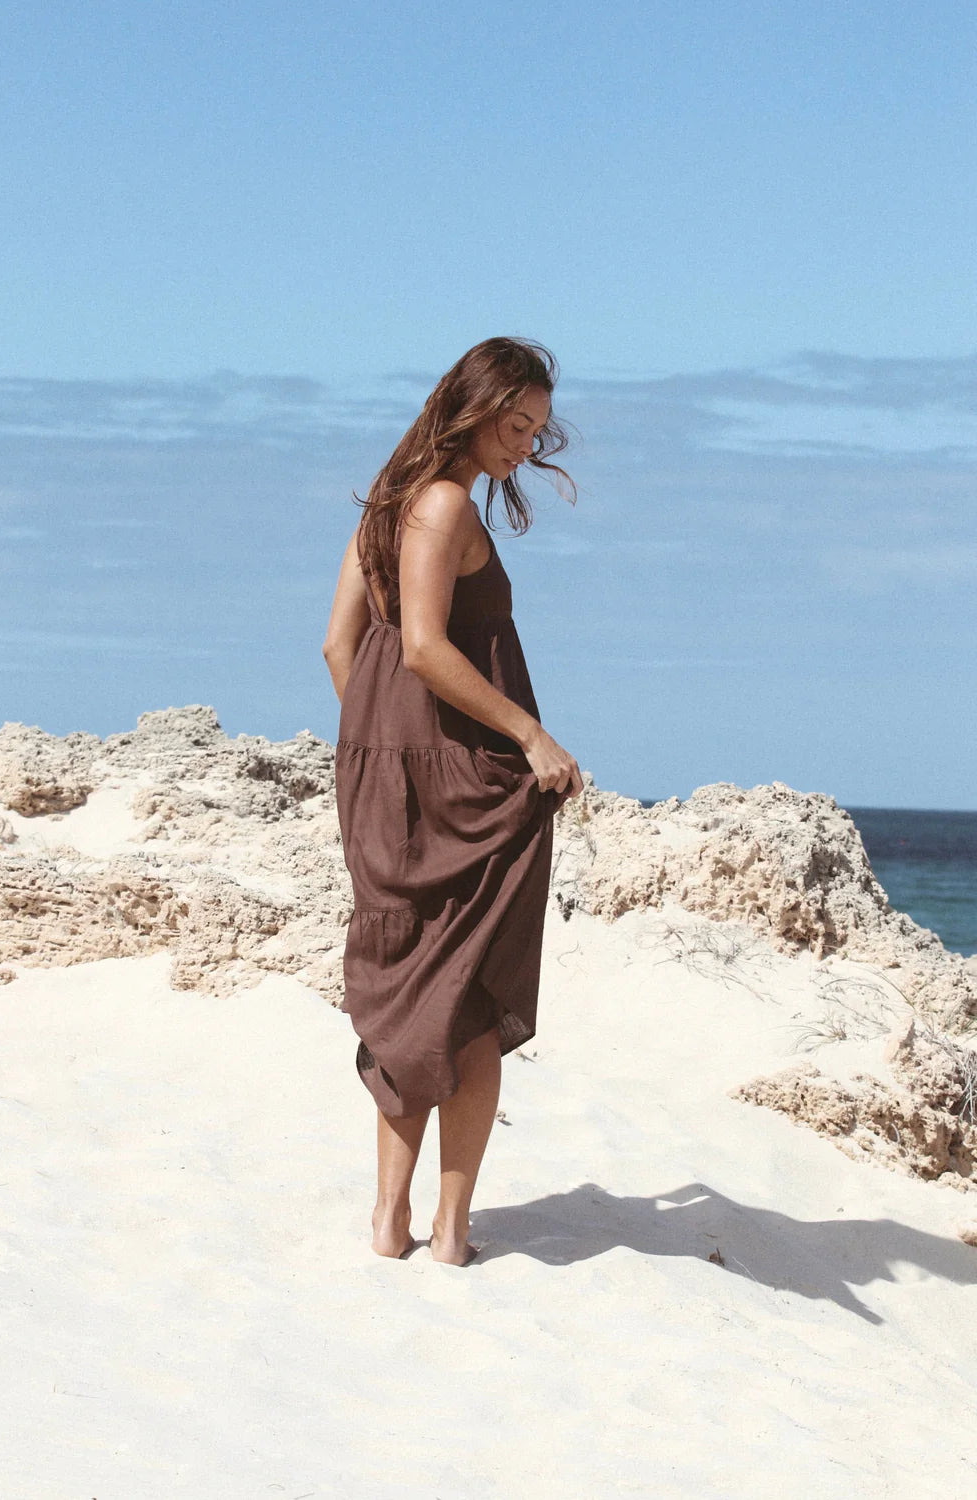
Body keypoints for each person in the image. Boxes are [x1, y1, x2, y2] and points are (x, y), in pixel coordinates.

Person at [322, 336, 583, 1265]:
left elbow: (340, 652)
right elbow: (428, 648)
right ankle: (450, 1230)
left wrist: (387, 752)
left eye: (536, 430)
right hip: (464, 789)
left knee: (411, 994)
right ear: (472, 407)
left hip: (397, 783)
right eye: (515, 424)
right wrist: (524, 737)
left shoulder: (386, 505)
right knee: (467, 998)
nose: (524, 444)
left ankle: (392, 1219)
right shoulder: (438, 505)